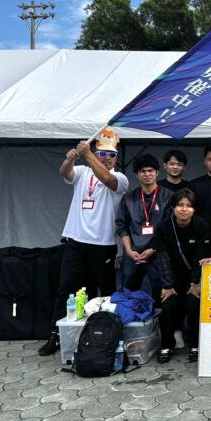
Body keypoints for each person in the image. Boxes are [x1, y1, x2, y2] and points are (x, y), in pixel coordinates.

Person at [38, 127, 129, 356]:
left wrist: (87, 153)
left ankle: (107, 335)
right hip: (76, 241)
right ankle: (56, 335)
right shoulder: (82, 171)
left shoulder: (121, 178)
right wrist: (70, 159)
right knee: (67, 288)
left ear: (116, 158)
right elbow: (65, 173)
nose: (107, 158)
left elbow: (108, 180)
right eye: (102, 154)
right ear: (97, 153)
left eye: (111, 155)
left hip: (103, 244)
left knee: (106, 292)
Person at [152, 189, 210, 363]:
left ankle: (195, 345)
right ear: (173, 207)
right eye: (180, 205)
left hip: (194, 276)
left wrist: (195, 283)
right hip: (172, 276)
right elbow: (162, 257)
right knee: (168, 306)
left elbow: (201, 257)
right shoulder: (163, 227)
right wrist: (167, 286)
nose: (184, 209)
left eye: (189, 206)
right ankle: (166, 345)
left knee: (193, 304)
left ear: (194, 209)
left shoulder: (201, 226)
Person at [116, 153, 173, 293]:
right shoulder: (128, 198)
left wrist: (153, 249)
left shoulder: (168, 196)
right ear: (137, 174)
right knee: (128, 291)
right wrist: (129, 251)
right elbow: (122, 226)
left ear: (157, 172)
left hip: (158, 251)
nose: (147, 174)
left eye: (150, 170)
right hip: (133, 253)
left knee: (161, 292)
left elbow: (170, 228)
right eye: (143, 171)